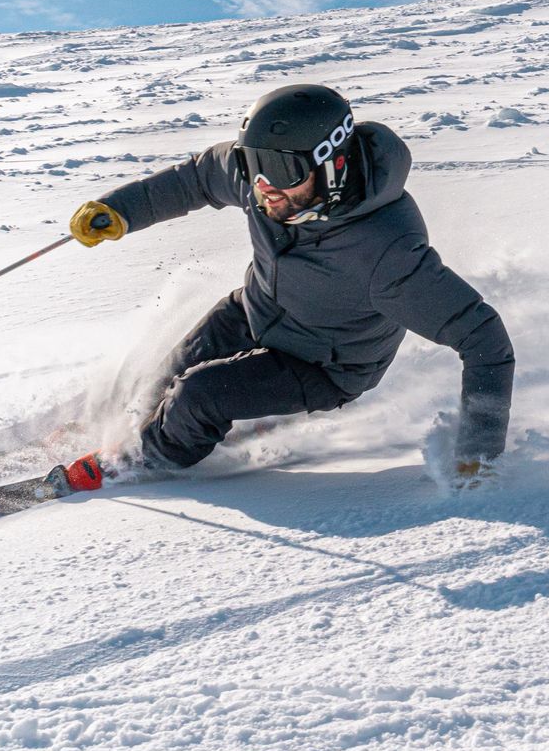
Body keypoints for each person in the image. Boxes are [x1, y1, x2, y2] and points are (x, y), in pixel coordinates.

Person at [64, 83, 512, 487]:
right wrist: (119, 211)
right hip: (254, 310)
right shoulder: (263, 184)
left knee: (197, 396)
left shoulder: (386, 251)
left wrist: (477, 452)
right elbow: (195, 180)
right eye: (252, 163)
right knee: (164, 378)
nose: (263, 185)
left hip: (323, 365)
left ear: (332, 165)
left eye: (280, 168)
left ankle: (144, 460)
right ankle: (135, 425)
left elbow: (485, 341)